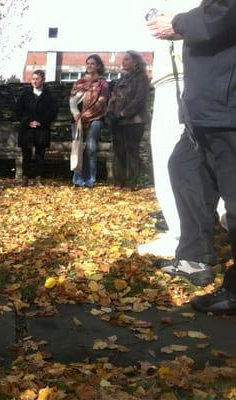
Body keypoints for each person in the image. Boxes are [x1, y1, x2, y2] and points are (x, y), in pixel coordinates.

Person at [148, 1, 236, 314]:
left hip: (226, 107)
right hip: (207, 108)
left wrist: (179, 24)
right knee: (183, 166)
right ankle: (194, 256)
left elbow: (223, 13)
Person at [138, 0, 227, 259]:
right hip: (190, 73)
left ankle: (184, 236)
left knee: (176, 158)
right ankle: (196, 236)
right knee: (189, 160)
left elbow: (217, 15)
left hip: (187, 74)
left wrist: (175, 23)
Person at [107, 51, 150, 190]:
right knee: (118, 151)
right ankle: (118, 182)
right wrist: (110, 113)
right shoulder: (121, 79)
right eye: (123, 59)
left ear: (135, 62)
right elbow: (113, 97)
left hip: (134, 121)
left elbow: (139, 99)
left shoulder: (142, 78)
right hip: (117, 121)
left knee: (132, 151)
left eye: (127, 59)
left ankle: (131, 183)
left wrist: (124, 113)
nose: (123, 62)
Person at [69, 54, 109, 188]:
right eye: (88, 63)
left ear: (98, 66)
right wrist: (76, 114)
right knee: (78, 148)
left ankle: (90, 180)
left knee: (91, 149)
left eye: (92, 63)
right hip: (77, 119)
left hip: (95, 118)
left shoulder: (102, 83)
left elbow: (102, 101)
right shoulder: (79, 83)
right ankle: (78, 180)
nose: (89, 66)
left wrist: (86, 115)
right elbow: (72, 100)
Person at [16, 70, 57, 186]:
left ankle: (38, 178)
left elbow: (53, 112)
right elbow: (18, 111)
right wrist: (28, 122)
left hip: (42, 129)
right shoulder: (25, 94)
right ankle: (25, 178)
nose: (34, 81)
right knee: (26, 153)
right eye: (33, 79)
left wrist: (41, 122)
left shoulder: (49, 95)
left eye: (37, 79)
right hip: (27, 129)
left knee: (40, 154)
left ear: (43, 80)